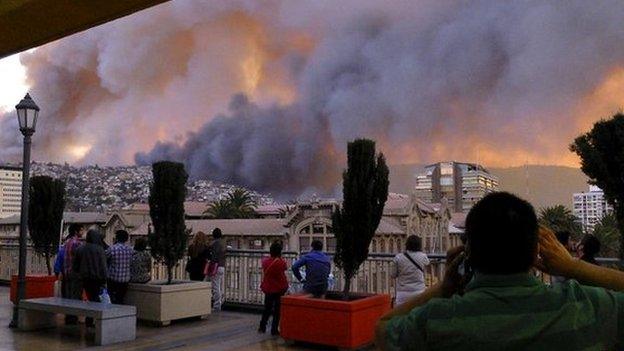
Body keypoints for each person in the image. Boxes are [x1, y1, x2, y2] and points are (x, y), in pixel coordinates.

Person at [375, 192, 624, 350]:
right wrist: (573, 266)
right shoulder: (584, 308)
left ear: (468, 252)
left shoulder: (437, 320)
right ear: (536, 252)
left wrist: (444, 288)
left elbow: (383, 329)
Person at [73, 229, 108, 327]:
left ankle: (89, 319)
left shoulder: (80, 249)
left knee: (89, 298)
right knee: (95, 299)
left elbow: (75, 266)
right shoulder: (100, 250)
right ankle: (92, 320)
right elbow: (103, 266)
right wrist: (105, 280)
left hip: (83, 279)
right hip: (97, 279)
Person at [258, 241, 289, 336]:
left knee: (267, 308)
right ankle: (274, 329)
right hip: (279, 288)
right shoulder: (281, 262)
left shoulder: (265, 262)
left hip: (268, 288)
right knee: (277, 310)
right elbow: (285, 268)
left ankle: (262, 326)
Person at [391, 235, 429, 306]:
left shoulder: (398, 257)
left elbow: (393, 275)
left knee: (401, 314)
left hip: (403, 292)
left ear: (407, 244)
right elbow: (426, 264)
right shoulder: (423, 256)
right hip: (419, 291)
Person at [61, 224, 85, 324]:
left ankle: (68, 316)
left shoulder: (67, 242)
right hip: (75, 273)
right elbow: (80, 259)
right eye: (81, 230)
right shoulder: (77, 244)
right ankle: (73, 317)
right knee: (75, 295)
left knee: (68, 294)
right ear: (76, 231)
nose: (83, 232)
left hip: (67, 272)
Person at [105, 230, 134, 304]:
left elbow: (105, 260)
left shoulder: (112, 249)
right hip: (125, 280)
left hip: (113, 279)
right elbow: (131, 263)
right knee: (120, 299)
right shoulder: (130, 250)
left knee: (112, 299)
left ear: (117, 238)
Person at [210, 227, 226, 311]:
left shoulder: (214, 244)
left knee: (215, 286)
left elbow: (213, 256)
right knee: (219, 285)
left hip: (216, 266)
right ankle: (220, 301)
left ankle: (217, 305)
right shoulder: (223, 243)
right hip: (222, 266)